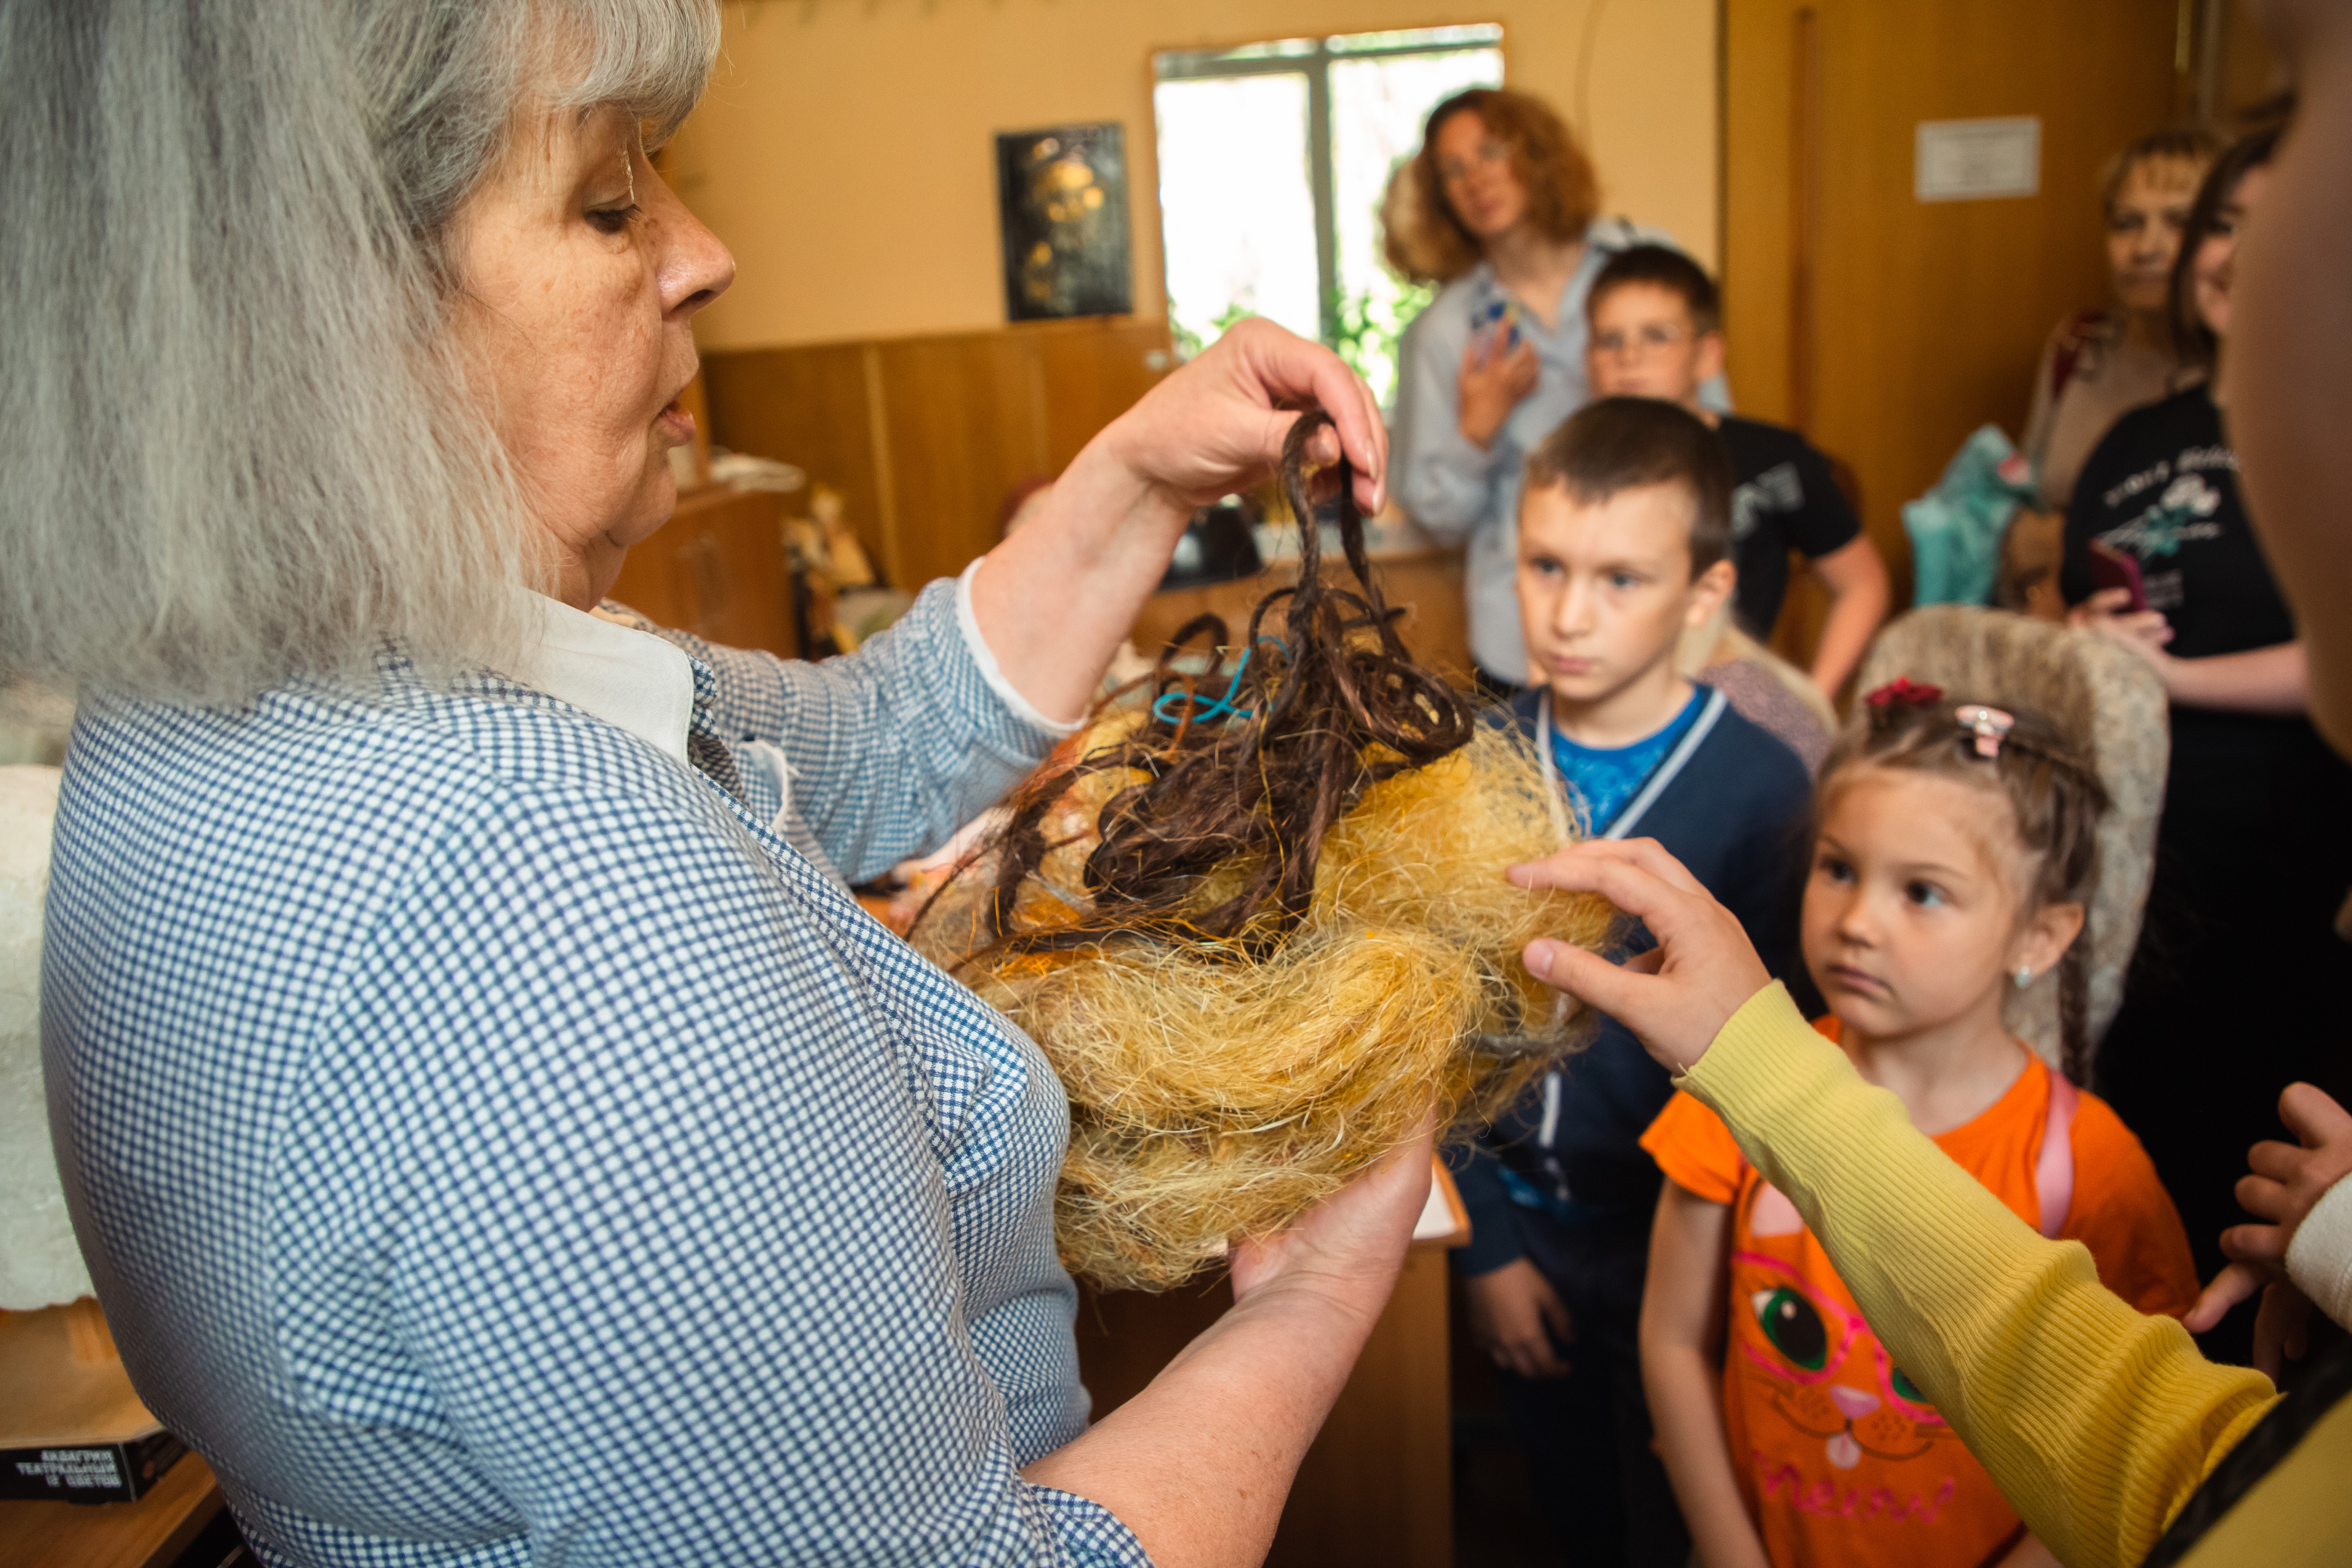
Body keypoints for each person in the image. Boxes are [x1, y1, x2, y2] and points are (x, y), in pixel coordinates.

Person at [5, 6, 1430, 1566]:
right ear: (323, 311)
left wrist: (1135, 476)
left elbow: (876, 737)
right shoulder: (544, 890)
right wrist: (1309, 1300)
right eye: (610, 199)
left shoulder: (193, 709)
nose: (702, 252)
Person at [1640, 687, 2198, 1568]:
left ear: (2040, 936)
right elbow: (1673, 1339)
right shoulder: (1735, 1090)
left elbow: (2134, 1443)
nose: (1858, 923)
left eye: (1924, 893)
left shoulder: (2094, 1168)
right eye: (1838, 869)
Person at [1447, 398, 1813, 1568]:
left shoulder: (1763, 789)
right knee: (1567, 1506)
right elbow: (1432, 1026)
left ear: (1705, 594)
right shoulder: (1481, 760)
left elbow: (1783, 1049)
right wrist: (1485, 1247)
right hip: (1522, 1231)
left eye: (1620, 579)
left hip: (1679, 1244)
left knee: (1671, 1503)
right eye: (1546, 566)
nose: (1565, 612)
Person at [2061, 125, 2352, 1363]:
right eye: (2222, 223)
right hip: (2127, 867)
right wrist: (2076, 630)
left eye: (2267, 224)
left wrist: (2176, 674)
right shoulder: (2135, 436)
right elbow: (2086, 613)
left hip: (2288, 871)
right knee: (2134, 1162)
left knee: (2260, 1191)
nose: (2235, 251)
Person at [1386, 87, 1729, 693]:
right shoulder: (1442, 334)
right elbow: (1438, 520)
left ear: (1536, 155)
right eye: (1453, 171)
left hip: (1666, 623)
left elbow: (1716, 431)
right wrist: (1477, 432)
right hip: (1525, 639)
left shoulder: (1642, 260)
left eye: (1491, 152)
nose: (1475, 180)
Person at [1583, 245, 1890, 697]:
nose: (1629, 356)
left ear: (1707, 356)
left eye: (1657, 335)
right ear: (1589, 359)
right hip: (1607, 705)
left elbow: (1863, 585)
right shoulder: (1572, 468)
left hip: (1734, 708)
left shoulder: (1773, 461)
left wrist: (1816, 696)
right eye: (1610, 340)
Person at [2020, 129, 2221, 514]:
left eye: (2179, 222)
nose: (2146, 249)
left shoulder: (2247, 374)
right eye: (2128, 223)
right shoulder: (2078, 344)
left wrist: (2060, 542)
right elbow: (2028, 492)